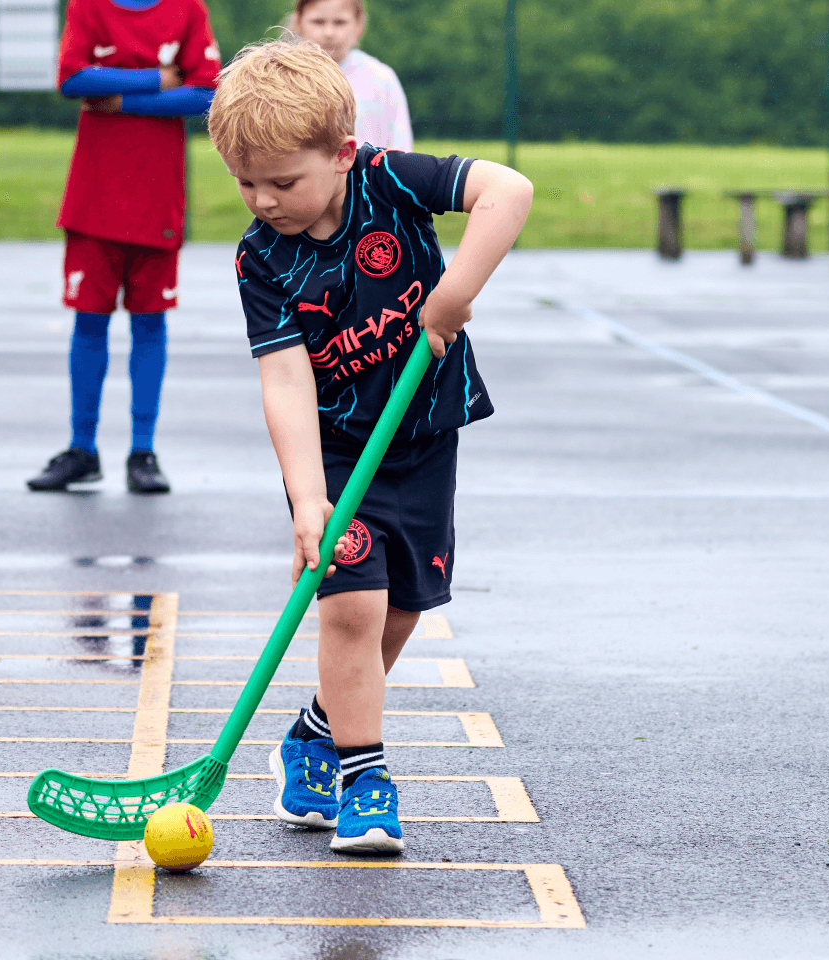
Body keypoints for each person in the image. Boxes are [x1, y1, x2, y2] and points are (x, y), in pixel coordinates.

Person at [208, 39, 531, 854]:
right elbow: (284, 380)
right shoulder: (261, 259)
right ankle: (365, 780)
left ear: (343, 154)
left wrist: (455, 292)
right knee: (350, 610)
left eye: (283, 181)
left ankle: (317, 727)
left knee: (405, 608)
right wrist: (307, 498)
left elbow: (509, 190)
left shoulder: (389, 178)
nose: (264, 199)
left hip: (422, 437)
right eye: (246, 182)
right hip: (337, 453)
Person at [26, 0, 221, 494]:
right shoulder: (88, 6)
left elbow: (206, 93)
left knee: (149, 323)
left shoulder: (187, 9)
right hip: (93, 201)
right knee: (88, 322)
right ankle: (82, 448)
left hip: (157, 201)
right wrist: (156, 80)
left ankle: (142, 450)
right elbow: (71, 79)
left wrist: (120, 98)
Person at [292, 0, 412, 152]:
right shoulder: (284, 76)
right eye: (318, 22)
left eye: (340, 22)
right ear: (298, 22)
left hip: (368, 175)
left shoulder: (381, 78)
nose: (329, 32)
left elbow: (401, 146)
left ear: (360, 24)